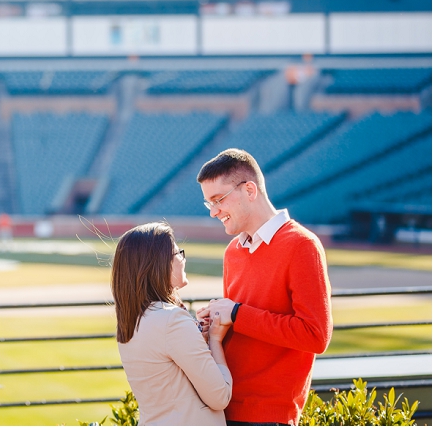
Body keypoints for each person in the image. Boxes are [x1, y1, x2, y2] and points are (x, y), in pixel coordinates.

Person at [195, 149, 332, 426]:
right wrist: (217, 322)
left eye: (218, 200)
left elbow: (316, 335)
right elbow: (245, 324)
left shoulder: (302, 246)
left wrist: (236, 313)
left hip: (269, 416)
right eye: (207, 203)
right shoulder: (233, 251)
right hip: (223, 406)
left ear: (249, 190)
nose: (213, 212)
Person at [112, 222, 233, 426]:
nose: (182, 260)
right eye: (178, 253)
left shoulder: (134, 319)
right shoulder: (171, 320)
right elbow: (219, 396)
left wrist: (196, 338)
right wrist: (215, 338)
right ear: (159, 264)